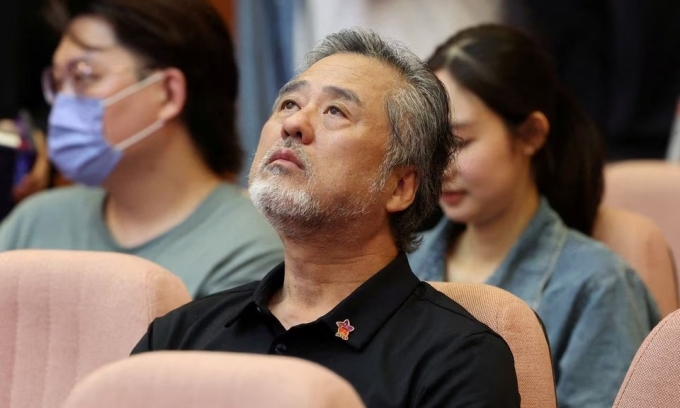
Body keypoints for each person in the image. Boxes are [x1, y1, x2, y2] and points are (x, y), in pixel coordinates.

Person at [132, 28, 521, 407]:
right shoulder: (178, 335)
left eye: (336, 111)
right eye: (288, 104)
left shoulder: (458, 361)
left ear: (400, 186)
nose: (293, 124)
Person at [409, 24, 660, 408]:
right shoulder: (402, 261)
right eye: (432, 143)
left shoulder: (599, 286)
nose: (440, 166)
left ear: (530, 135)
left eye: (459, 142)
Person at [0, 0, 283, 298]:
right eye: (58, 82)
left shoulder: (247, 252)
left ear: (168, 93)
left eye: (84, 76)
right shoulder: (34, 223)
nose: (61, 102)